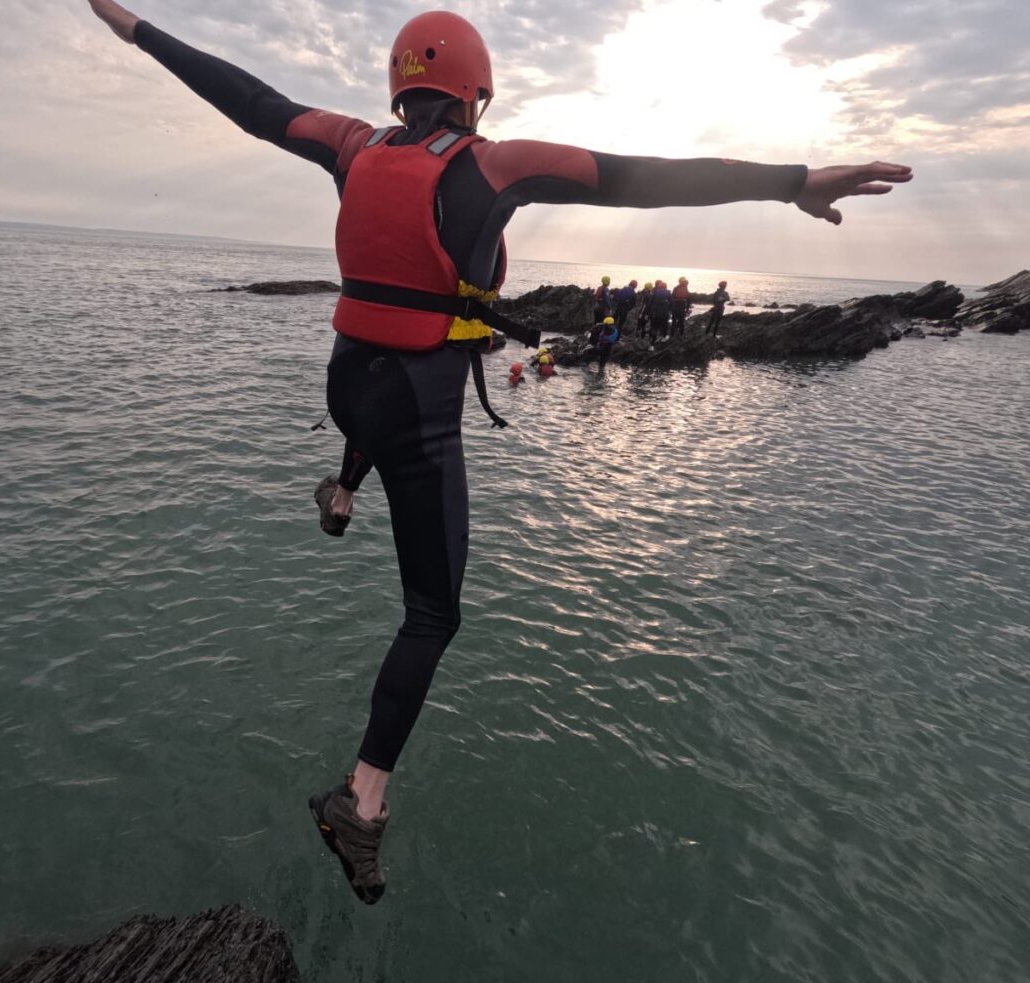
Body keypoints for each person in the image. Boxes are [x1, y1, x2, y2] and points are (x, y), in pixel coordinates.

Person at [87, 0, 912, 906]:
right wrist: (792, 179)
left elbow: (244, 95)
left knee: (378, 421)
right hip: (412, 402)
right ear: (476, 94)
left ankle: (344, 490)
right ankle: (360, 804)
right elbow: (643, 176)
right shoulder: (492, 163)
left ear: (402, 87)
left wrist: (136, 27)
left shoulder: (351, 146)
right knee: (433, 615)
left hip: (346, 382)